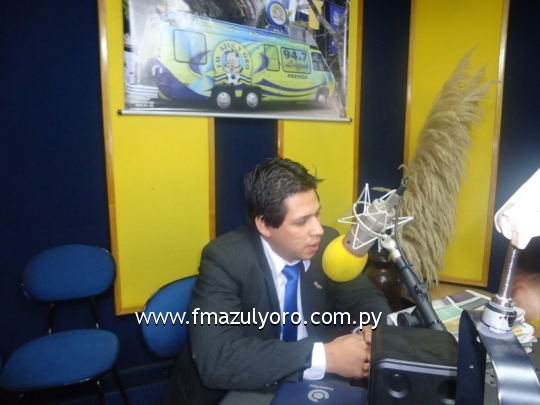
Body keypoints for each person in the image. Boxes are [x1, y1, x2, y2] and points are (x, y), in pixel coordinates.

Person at [162, 157, 391, 405]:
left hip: (308, 382)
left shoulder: (326, 245)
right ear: (264, 224)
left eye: (317, 214)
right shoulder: (225, 259)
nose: (318, 230)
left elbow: (366, 298)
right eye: (301, 221)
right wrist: (326, 357)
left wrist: (371, 332)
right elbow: (218, 359)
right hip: (239, 387)